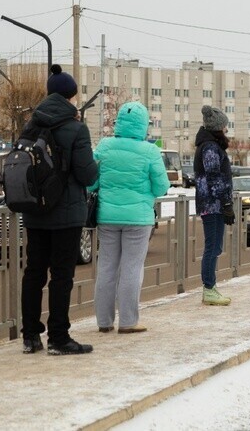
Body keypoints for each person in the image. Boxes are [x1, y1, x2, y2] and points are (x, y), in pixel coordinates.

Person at [21, 64, 98, 355]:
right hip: (66, 214)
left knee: (34, 272)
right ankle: (58, 338)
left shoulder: (31, 124)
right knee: (62, 275)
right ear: (70, 97)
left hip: (34, 211)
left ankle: (30, 336)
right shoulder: (77, 128)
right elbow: (87, 175)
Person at [91, 102, 170, 334]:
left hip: (107, 216)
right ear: (143, 125)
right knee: (132, 268)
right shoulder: (150, 151)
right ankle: (128, 321)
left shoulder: (105, 146)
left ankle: (104, 322)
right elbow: (162, 187)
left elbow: (91, 182)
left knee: (106, 267)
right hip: (138, 218)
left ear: (120, 123)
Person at [194, 105, 234, 306]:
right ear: (217, 127)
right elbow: (214, 177)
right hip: (212, 204)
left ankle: (211, 287)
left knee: (216, 246)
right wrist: (226, 203)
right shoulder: (210, 147)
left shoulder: (211, 145)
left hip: (214, 203)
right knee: (212, 246)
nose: (226, 129)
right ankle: (208, 288)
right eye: (225, 125)